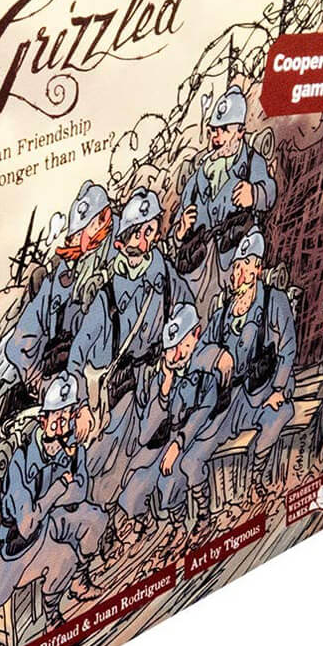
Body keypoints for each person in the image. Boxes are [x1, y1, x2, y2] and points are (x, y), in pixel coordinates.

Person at [67, 187, 195, 514]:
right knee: (99, 456)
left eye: (148, 231)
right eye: (135, 233)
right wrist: (81, 405)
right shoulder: (107, 292)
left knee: (155, 440)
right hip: (119, 384)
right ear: (120, 242)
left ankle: (140, 511)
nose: (142, 240)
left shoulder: (165, 275)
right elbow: (78, 352)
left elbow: (188, 308)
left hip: (157, 374)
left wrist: (178, 352)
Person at [0, 372, 107, 627]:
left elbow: (81, 491)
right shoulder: (21, 461)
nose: (61, 428)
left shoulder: (71, 447)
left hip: (47, 523)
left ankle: (78, 582)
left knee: (95, 519)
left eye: (66, 418)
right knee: (64, 557)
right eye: (55, 421)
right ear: (43, 420)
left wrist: (50, 499)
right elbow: (27, 524)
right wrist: (59, 488)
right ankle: (52, 617)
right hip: (16, 549)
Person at [202, 227, 297, 512]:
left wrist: (279, 388)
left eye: (245, 265)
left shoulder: (273, 300)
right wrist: (217, 354)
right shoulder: (223, 313)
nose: (238, 273)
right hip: (235, 399)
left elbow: (288, 346)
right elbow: (199, 351)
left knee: (278, 415)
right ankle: (206, 510)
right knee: (201, 445)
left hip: (267, 388)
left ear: (257, 268)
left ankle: (257, 477)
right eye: (235, 267)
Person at [116, 302, 221, 557]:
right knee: (137, 482)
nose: (177, 354)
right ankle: (172, 527)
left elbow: (206, 407)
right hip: (172, 437)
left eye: (182, 344)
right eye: (171, 349)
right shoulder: (162, 378)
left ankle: (201, 518)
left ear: (195, 335)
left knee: (174, 472)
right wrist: (164, 389)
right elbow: (146, 432)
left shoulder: (205, 363)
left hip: (203, 429)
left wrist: (179, 442)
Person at [172, 85, 277, 314]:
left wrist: (254, 194)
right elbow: (180, 217)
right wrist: (180, 231)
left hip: (233, 258)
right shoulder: (200, 172)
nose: (216, 138)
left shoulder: (251, 161)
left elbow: (270, 192)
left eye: (224, 130)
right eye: (213, 131)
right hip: (197, 267)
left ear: (239, 132)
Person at [6, 181, 116, 391]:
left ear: (101, 220)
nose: (76, 240)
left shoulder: (118, 242)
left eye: (81, 232)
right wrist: (35, 378)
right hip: (57, 369)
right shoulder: (62, 271)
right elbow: (27, 330)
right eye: (75, 235)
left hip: (95, 368)